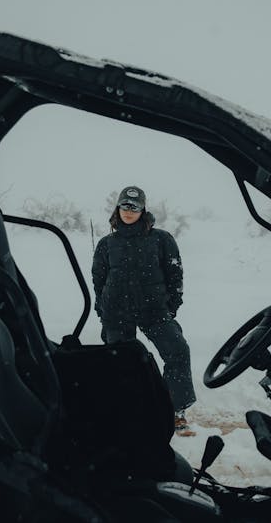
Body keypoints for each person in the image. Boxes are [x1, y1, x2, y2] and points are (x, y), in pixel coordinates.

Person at [92, 185, 197, 436]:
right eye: (125, 206)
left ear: (143, 209)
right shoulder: (107, 244)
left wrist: (172, 305)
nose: (129, 211)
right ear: (117, 208)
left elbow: (175, 275)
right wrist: (102, 307)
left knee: (178, 351)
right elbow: (98, 278)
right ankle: (128, 411)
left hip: (155, 310)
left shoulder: (161, 239)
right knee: (121, 364)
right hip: (117, 313)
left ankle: (175, 410)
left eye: (135, 207)